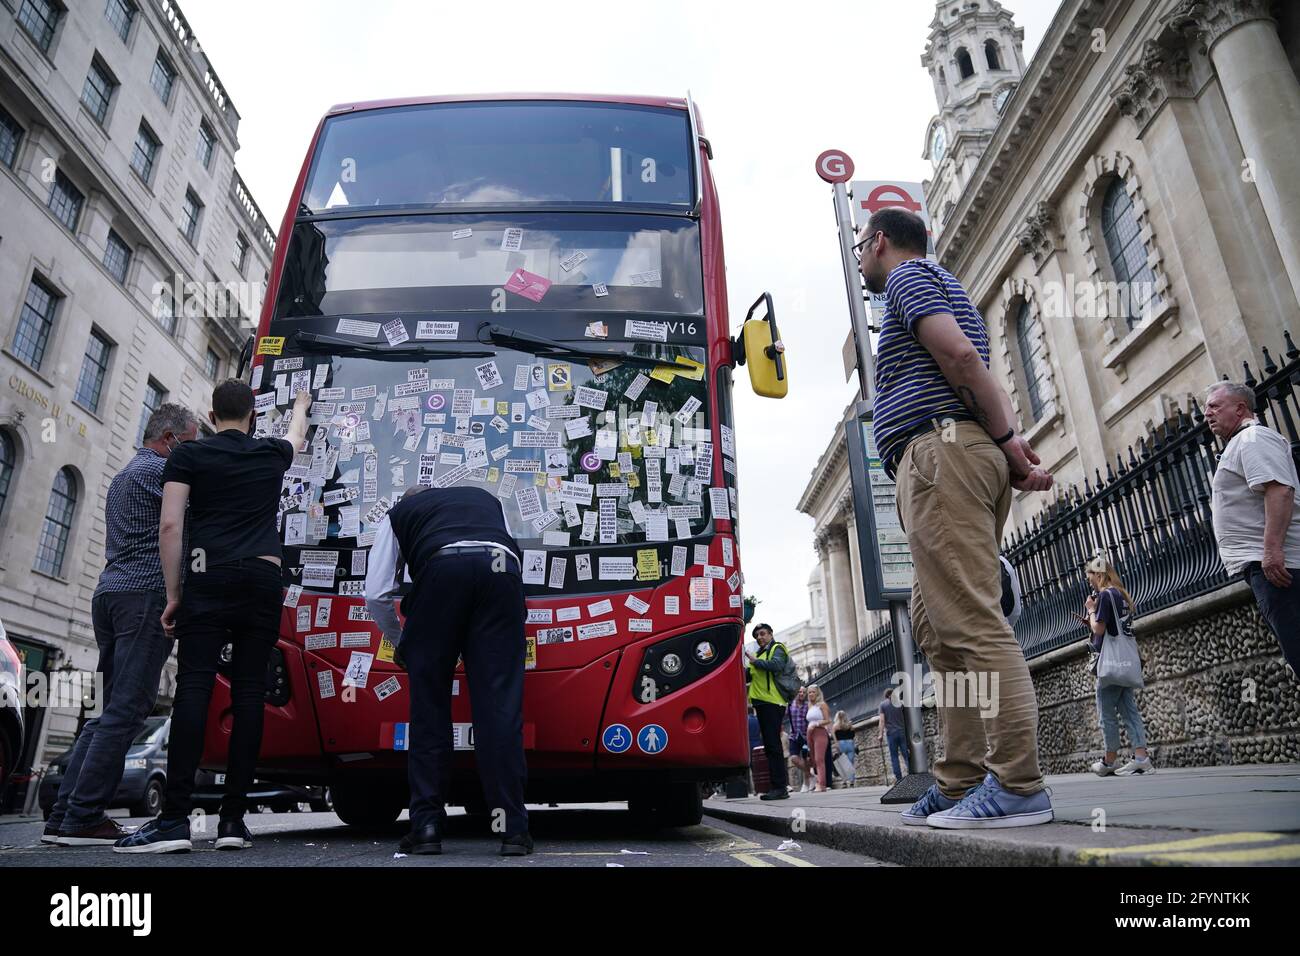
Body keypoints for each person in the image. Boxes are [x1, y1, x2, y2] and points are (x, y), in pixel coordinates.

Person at [857, 207, 1055, 829]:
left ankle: (1019, 785)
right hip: (946, 456)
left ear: (880, 241)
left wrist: (1008, 441)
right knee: (939, 631)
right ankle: (959, 779)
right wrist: (1005, 447)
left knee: (971, 621)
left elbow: (964, 361)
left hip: (942, 456)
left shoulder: (910, 280)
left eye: (863, 245)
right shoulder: (939, 286)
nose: (862, 255)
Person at [116, 382, 311, 853]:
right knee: (249, 694)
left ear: (210, 414)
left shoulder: (187, 456)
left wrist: (174, 594)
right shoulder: (269, 452)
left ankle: (176, 821)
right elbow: (297, 437)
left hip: (207, 577)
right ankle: (231, 822)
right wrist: (301, 405)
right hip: (262, 582)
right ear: (251, 416)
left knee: (194, 690)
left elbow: (170, 524)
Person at [44, 405, 199, 846]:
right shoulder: (158, 473)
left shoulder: (128, 472)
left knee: (108, 713)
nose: (191, 455)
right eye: (189, 445)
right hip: (143, 597)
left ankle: (64, 815)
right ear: (169, 439)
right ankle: (83, 817)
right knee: (128, 710)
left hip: (110, 594)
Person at [365, 484, 531, 856]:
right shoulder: (486, 499)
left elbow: (376, 593)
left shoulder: (398, 514)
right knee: (498, 708)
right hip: (500, 570)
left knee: (430, 709)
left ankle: (426, 828)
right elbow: (508, 549)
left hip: (441, 571)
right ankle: (513, 831)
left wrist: (402, 640)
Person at [1205, 382, 1300, 677]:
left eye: (1215, 406)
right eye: (1206, 408)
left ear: (1241, 408)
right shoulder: (1241, 443)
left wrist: (1271, 551)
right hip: (1269, 568)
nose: (1207, 413)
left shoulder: (1252, 439)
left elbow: (1279, 490)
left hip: (1279, 567)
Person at [1081, 550, 1153, 776]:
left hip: (1111, 664)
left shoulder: (1104, 596)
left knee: (1106, 712)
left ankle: (1109, 760)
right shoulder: (1121, 594)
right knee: (1129, 710)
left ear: (1098, 574)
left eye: (1090, 575)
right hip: (1125, 660)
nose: (1088, 579)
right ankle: (1141, 757)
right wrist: (1094, 618)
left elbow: (1099, 629)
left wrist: (1091, 612)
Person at [744, 623, 791, 800]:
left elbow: (777, 665)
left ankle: (780, 787)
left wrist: (755, 662)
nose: (760, 637)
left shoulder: (777, 649)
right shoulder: (759, 655)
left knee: (773, 746)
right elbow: (749, 676)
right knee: (770, 747)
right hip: (762, 704)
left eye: (763, 634)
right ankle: (776, 786)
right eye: (757, 636)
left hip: (773, 702)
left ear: (771, 634)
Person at [878, 686, 909, 784]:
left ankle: (899, 778)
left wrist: (880, 734)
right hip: (902, 731)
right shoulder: (900, 703)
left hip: (891, 733)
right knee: (906, 754)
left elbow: (882, 721)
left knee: (894, 756)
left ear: (886, 696)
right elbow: (906, 717)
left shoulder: (883, 705)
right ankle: (912, 773)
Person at [804, 685, 831, 792]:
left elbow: (827, 720)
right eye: (809, 692)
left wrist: (816, 723)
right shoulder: (810, 706)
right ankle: (818, 782)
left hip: (820, 732)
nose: (811, 694)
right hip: (810, 733)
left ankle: (822, 784)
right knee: (814, 759)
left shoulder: (822, 705)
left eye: (813, 692)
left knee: (820, 759)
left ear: (817, 693)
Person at [786, 686, 811, 792]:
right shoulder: (790, 706)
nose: (801, 694)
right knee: (794, 759)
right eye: (799, 691)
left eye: (804, 692)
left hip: (805, 736)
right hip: (794, 736)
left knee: (806, 759)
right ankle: (810, 775)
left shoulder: (807, 706)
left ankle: (806, 783)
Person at [833, 710, 857, 788]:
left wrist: (836, 744)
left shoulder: (835, 726)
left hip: (841, 744)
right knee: (851, 763)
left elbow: (834, 737)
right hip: (850, 743)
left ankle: (844, 782)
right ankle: (852, 781)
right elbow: (853, 735)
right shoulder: (850, 725)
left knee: (842, 763)